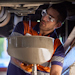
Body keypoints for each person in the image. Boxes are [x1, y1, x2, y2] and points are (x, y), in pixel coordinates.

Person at [7, 3, 67, 75]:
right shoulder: (23, 27)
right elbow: (12, 50)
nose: (44, 18)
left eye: (50, 18)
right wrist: (21, 64)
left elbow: (55, 72)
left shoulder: (57, 46)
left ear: (58, 25)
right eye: (44, 13)